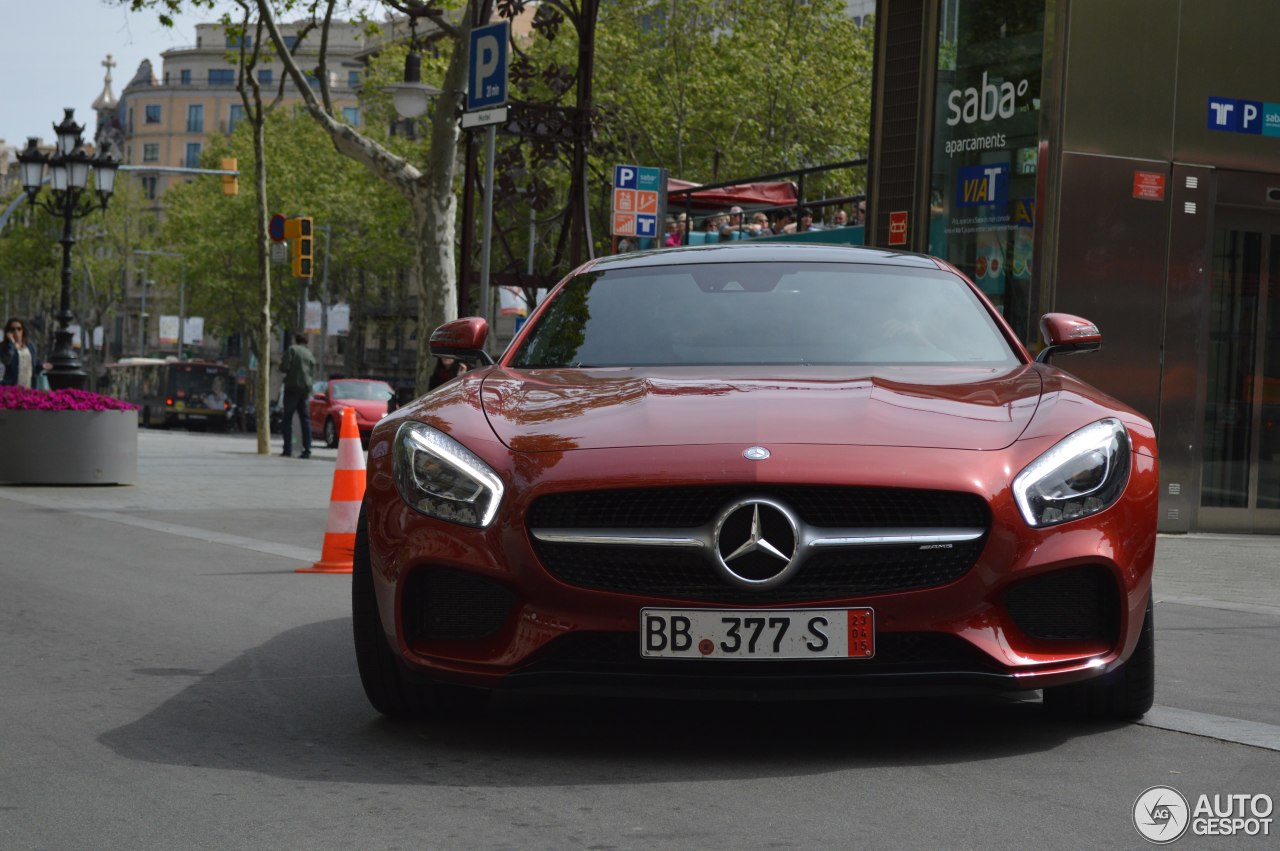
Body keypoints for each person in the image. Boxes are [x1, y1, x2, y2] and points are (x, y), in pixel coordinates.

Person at [280, 333, 316, 458]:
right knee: (305, 420)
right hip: (305, 389)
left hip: (292, 387)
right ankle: (307, 450)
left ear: (295, 339)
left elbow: (284, 366)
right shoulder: (309, 354)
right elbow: (312, 372)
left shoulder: (292, 350)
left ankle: (287, 449)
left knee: (287, 419)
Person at [2, 317, 50, 388]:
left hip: (29, 386)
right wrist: (11, 344)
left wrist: (42, 366)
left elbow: (34, 365)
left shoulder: (30, 346)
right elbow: (6, 361)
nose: (16, 331)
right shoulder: (5, 347)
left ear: (23, 330)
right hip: (12, 388)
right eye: (12, 329)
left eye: (19, 328)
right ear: (8, 332)